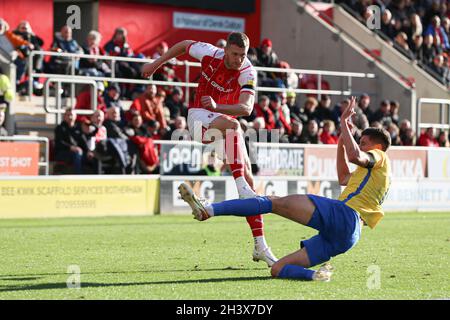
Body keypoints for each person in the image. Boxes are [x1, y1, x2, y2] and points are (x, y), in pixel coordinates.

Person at [178, 97, 392, 282]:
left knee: (272, 202)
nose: (360, 145)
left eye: (364, 142)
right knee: (277, 269)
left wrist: (344, 122)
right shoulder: (376, 174)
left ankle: (209, 209)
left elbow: (355, 156)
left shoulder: (380, 157)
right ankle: (316, 276)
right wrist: (340, 144)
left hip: (344, 216)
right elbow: (344, 178)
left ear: (378, 147)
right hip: (348, 237)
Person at [141, 32, 277, 266]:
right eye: (235, 54)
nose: (238, 59)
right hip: (198, 118)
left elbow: (246, 108)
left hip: (221, 121)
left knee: (250, 182)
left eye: (242, 55)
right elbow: (183, 45)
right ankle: (241, 189)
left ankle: (260, 246)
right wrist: (156, 64)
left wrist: (218, 106)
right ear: (225, 50)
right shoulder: (210, 53)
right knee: (234, 130)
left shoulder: (248, 71)